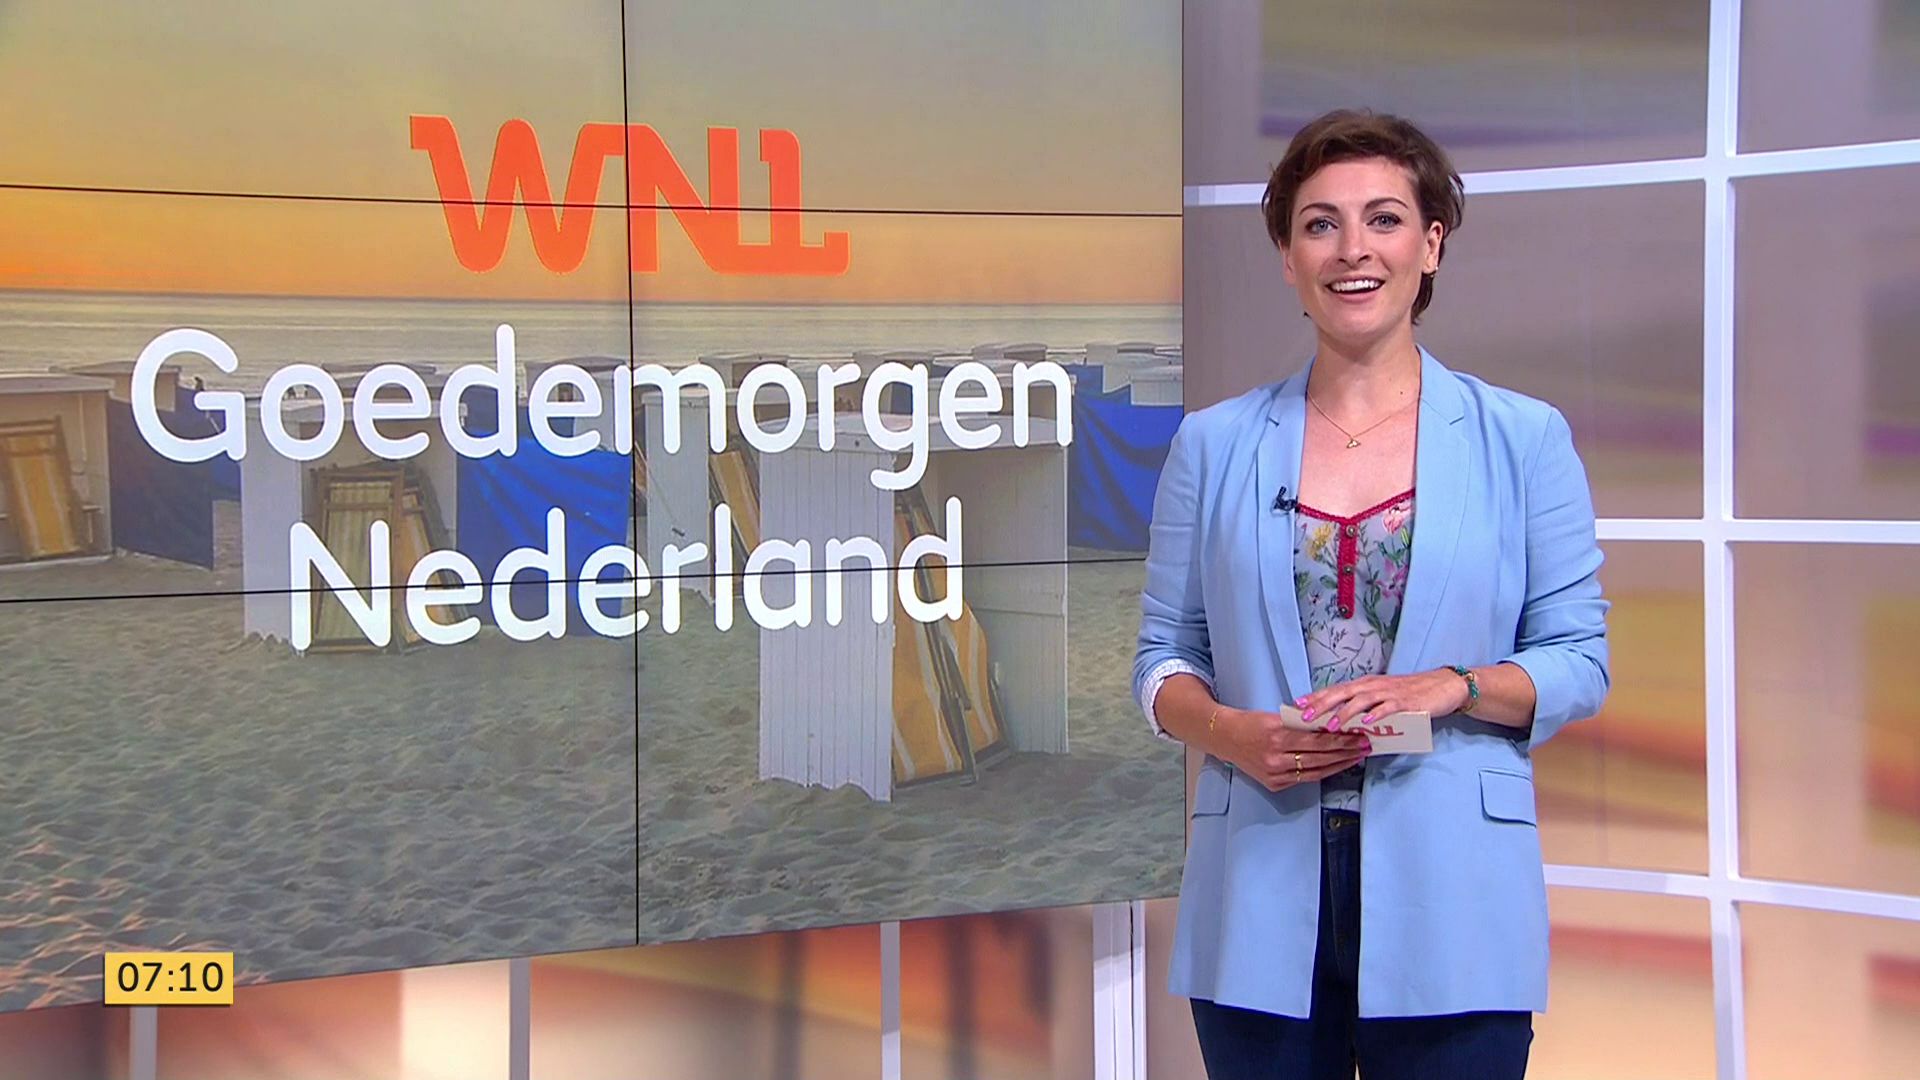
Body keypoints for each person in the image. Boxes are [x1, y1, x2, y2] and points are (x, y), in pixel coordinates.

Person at [1132, 108, 1610, 1079]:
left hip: (1457, 898)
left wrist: (1454, 686)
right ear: (1287, 255)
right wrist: (1229, 733)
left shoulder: (1524, 439)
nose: (1353, 249)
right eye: (1321, 224)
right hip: (1256, 892)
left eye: (1384, 219)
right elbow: (1163, 659)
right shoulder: (1212, 445)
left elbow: (1578, 660)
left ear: (1430, 245)